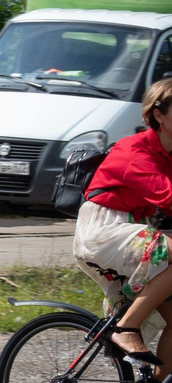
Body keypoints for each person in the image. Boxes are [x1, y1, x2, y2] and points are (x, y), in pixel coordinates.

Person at [71, 78, 172, 367]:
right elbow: (167, 197)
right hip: (103, 230)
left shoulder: (169, 155)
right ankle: (126, 327)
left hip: (134, 230)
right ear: (158, 115)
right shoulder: (133, 150)